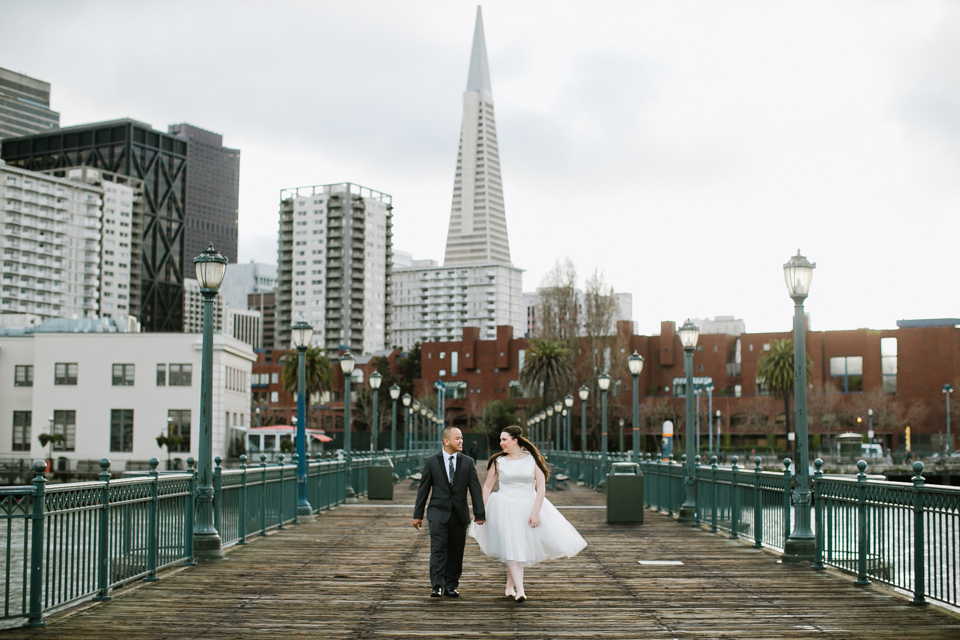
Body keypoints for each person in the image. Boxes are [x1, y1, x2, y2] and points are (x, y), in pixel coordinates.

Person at [469, 425, 586, 603]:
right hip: (504, 506)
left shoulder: (533, 459)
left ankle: (509, 586)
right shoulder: (498, 461)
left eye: (504, 439)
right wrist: (480, 511)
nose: (501, 443)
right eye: (500, 440)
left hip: (527, 505)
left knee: (515, 546)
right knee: (512, 545)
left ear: (514, 441)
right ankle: (520, 591)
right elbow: (486, 486)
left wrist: (536, 512)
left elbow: (541, 487)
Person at [413, 426, 485, 598]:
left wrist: (480, 514)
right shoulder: (431, 461)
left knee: (456, 551)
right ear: (446, 441)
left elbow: (475, 489)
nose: (461, 441)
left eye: (461, 438)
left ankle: (451, 585)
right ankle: (436, 586)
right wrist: (418, 514)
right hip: (437, 513)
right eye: (457, 438)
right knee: (438, 549)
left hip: (459, 514)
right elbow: (423, 489)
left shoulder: (468, 462)